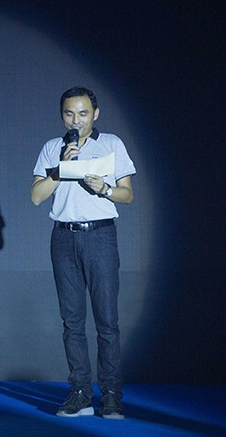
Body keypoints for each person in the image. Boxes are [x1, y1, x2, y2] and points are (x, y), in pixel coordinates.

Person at [30, 86, 136, 420]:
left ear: (95, 113)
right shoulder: (53, 148)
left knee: (107, 321)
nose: (76, 120)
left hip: (100, 235)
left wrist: (104, 188)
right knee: (72, 321)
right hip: (64, 237)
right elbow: (36, 196)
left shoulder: (112, 144)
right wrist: (61, 167)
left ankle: (111, 395)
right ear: (61, 115)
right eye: (69, 114)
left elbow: (127, 195)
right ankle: (79, 393)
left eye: (83, 113)